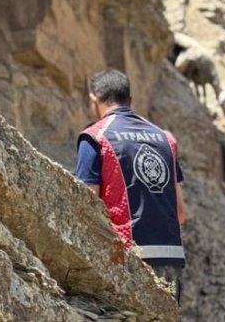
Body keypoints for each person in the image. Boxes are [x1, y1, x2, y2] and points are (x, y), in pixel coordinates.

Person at [75, 68, 188, 301]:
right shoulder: (165, 139)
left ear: (93, 99)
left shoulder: (95, 137)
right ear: (130, 100)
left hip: (123, 261)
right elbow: (180, 213)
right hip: (169, 264)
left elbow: (86, 206)